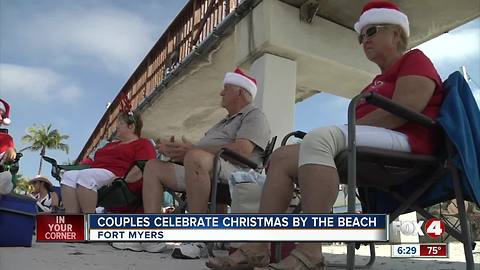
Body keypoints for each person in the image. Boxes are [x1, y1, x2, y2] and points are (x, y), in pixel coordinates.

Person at [206, 1, 445, 269]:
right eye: (361, 35)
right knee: (282, 156)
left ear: (397, 34)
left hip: (411, 144)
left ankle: (310, 251)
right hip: (373, 146)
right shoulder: (373, 83)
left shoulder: (415, 59)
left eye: (372, 31)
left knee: (321, 137)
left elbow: (407, 108)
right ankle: (257, 248)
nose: (364, 40)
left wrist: (348, 129)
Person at [123, 68, 271, 257]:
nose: (221, 92)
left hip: (239, 171)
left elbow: (243, 150)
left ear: (240, 92)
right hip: (204, 168)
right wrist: (177, 152)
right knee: (153, 166)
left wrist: (191, 152)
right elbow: (199, 155)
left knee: (195, 157)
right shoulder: (222, 122)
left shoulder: (254, 115)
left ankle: (197, 237)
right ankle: (152, 236)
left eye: (226, 88)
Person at [61, 111, 156, 213]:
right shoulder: (110, 145)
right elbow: (91, 160)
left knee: (85, 177)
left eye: (120, 123)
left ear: (131, 126)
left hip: (116, 174)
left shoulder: (143, 143)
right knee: (68, 176)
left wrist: (124, 179)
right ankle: (74, 220)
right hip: (97, 172)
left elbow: (143, 166)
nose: (117, 127)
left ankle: (89, 220)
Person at [0, 98, 16, 195]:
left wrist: (11, 149)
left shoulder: (6, 138)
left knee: (6, 177)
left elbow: (8, 155)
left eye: (3, 116)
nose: (1, 118)